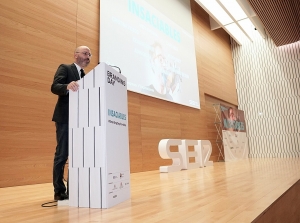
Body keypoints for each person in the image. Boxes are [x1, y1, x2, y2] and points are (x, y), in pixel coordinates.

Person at [51, 46, 91, 200]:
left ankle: (73, 189)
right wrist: (66, 87)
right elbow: (54, 87)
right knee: (62, 154)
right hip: (65, 118)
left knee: (77, 155)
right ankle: (59, 191)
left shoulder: (86, 77)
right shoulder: (65, 68)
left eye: (90, 54)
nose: (88, 56)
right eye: (85, 53)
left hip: (81, 122)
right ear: (75, 55)